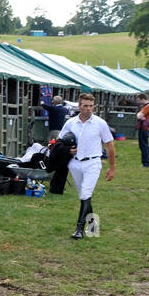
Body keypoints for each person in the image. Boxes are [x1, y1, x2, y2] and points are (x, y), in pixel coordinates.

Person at [59, 93, 115, 239]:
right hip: (75, 163)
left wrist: (112, 167)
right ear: (79, 106)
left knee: (85, 193)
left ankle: (79, 229)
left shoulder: (100, 123)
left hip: (93, 162)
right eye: (85, 106)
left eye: (91, 106)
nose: (89, 109)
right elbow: (59, 141)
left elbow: (109, 145)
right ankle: (93, 226)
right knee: (84, 197)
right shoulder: (71, 123)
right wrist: (67, 150)